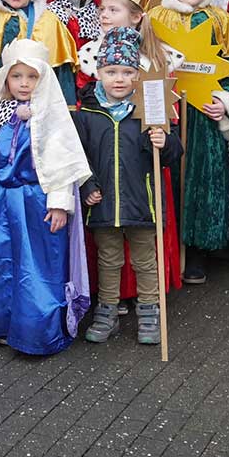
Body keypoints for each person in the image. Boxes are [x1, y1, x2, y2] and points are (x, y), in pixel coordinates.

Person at [0, 40, 92, 355]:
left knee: (36, 267)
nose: (24, 84)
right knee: (2, 262)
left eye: (31, 77)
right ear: (5, 79)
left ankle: (36, 332)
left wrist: (60, 204)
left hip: (38, 203)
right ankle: (1, 325)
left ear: (43, 79)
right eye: (16, 76)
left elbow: (62, 162)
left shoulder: (50, 118)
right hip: (3, 203)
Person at [74, 28, 180, 345]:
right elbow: (78, 156)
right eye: (111, 71)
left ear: (137, 73)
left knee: (145, 260)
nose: (119, 79)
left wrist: (164, 142)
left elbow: (172, 155)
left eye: (127, 71)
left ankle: (149, 311)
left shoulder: (148, 108)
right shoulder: (87, 113)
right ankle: (106, 311)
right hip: (103, 201)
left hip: (142, 201)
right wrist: (86, 186)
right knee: (109, 259)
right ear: (99, 73)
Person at [149, 0, 229, 284]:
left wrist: (226, 101)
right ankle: (164, 246)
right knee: (166, 176)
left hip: (204, 114)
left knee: (202, 179)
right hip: (167, 111)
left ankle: (197, 250)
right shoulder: (153, 18)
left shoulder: (222, 21)